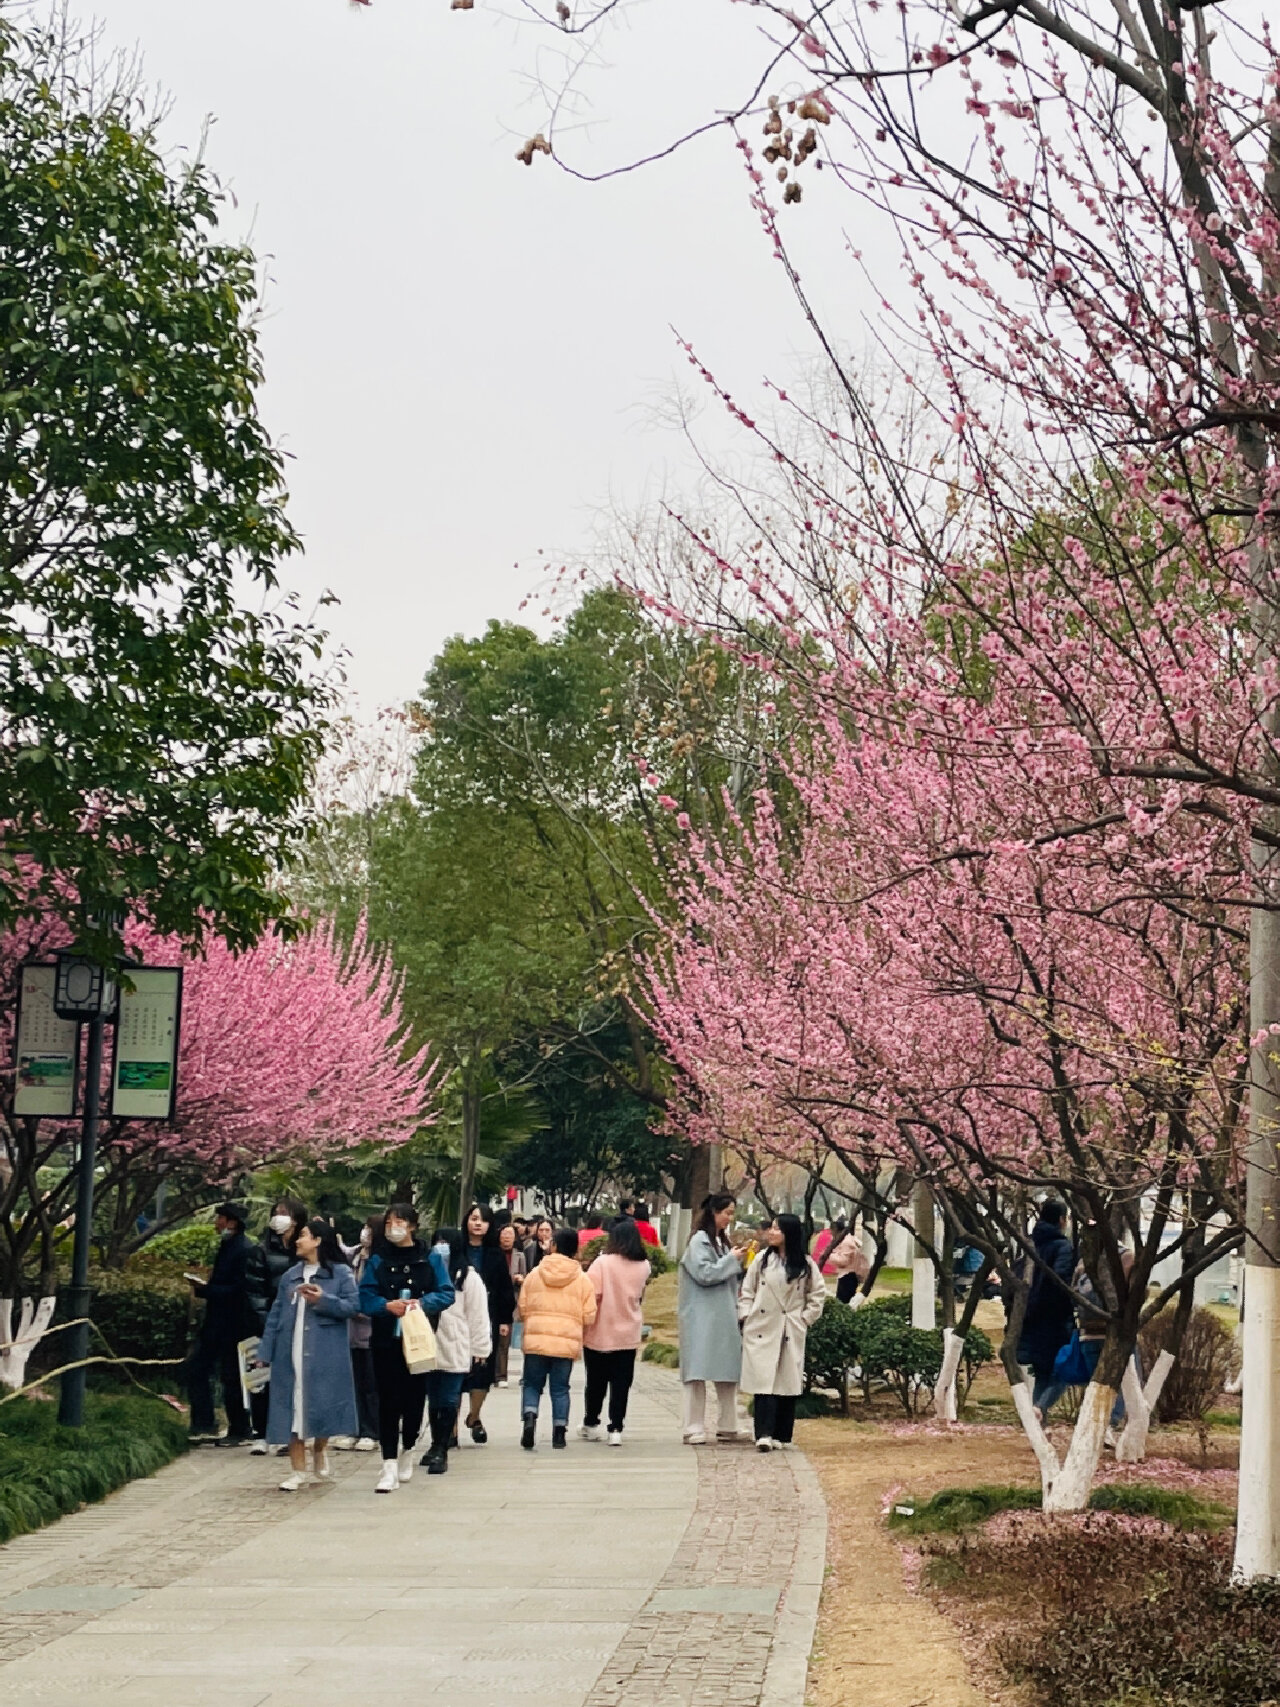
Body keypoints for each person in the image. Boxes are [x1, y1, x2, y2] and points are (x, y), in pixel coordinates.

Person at [255, 1218, 360, 1490]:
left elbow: (353, 1306)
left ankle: (320, 1448)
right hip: (289, 1352)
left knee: (321, 1405)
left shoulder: (340, 1274)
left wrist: (323, 1300)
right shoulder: (290, 1276)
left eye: (303, 1235)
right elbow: (276, 1315)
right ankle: (298, 1471)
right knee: (291, 1409)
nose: (298, 1240)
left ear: (318, 1240)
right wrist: (265, 1352)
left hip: (324, 1354)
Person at [358, 1201, 455, 1493]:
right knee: (387, 1400)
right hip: (385, 1339)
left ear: (412, 1226)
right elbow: (364, 1297)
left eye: (399, 1222)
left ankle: (408, 1448)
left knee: (414, 1399)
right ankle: (388, 1462)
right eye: (388, 1223)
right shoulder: (377, 1260)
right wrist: (386, 1305)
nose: (393, 1228)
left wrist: (422, 1304)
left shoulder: (430, 1257)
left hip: (418, 1340)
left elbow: (446, 1293)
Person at [739, 1214, 826, 1451]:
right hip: (762, 1325)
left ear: (789, 1233)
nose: (771, 1232)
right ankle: (763, 1433)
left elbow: (817, 1295)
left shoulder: (806, 1264)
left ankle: (782, 1434)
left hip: (790, 1325)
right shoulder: (761, 1261)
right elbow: (747, 1289)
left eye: (777, 1228)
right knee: (763, 1379)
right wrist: (746, 1315)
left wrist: (805, 1319)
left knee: (786, 1380)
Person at [517, 1226, 597, 1450]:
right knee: (560, 1388)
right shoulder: (582, 1279)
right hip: (565, 1342)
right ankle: (559, 1432)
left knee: (532, 1384)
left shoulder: (534, 1274)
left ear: (554, 1246)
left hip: (536, 1340)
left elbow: (523, 1307)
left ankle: (530, 1416)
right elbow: (589, 1315)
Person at [422, 1227, 492, 1474]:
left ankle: (443, 1446)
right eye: (437, 1241)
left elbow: (478, 1316)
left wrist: (481, 1348)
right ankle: (433, 1443)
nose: (440, 1247)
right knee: (433, 1398)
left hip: (456, 1344)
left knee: (449, 1398)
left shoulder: (468, 1277)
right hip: (429, 1345)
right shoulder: (427, 1273)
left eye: (445, 1242)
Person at [186, 1203, 256, 1445]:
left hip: (232, 1324)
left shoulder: (244, 1250)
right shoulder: (228, 1246)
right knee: (199, 1368)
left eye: (220, 1219)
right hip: (217, 1322)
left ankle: (240, 1428)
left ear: (232, 1222)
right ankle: (204, 1423)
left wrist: (208, 1290)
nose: (216, 1224)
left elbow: (241, 1289)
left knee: (231, 1375)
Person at [677, 1192, 744, 1445]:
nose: (730, 1218)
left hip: (723, 1313)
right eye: (727, 1212)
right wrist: (732, 1260)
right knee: (696, 1372)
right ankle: (693, 1426)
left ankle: (728, 1424)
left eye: (732, 1213)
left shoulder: (721, 1241)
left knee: (727, 1369)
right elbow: (705, 1273)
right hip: (700, 1317)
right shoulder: (700, 1241)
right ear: (713, 1212)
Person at [244, 1196, 307, 1454]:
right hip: (267, 1324)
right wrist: (266, 1324)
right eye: (276, 1212)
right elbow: (254, 1292)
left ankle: (290, 1434)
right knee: (260, 1379)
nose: (278, 1217)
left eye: (285, 1213)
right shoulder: (260, 1251)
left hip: (298, 1325)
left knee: (292, 1382)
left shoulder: (304, 1250)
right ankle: (261, 1432)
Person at [581, 1218, 650, 1444]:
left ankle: (591, 1422)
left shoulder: (602, 1263)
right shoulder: (644, 1265)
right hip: (628, 1331)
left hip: (600, 1331)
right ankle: (616, 1428)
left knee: (596, 1382)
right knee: (621, 1384)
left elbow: (593, 1294)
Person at [460, 1203, 516, 1444]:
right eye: (473, 1218)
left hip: (487, 1316)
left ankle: (474, 1415)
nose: (477, 1223)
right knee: (455, 1371)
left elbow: (505, 1288)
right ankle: (448, 1430)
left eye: (483, 1220)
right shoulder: (457, 1250)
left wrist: (505, 1319)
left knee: (483, 1370)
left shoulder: (494, 1254)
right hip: (457, 1316)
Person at [1015, 1200, 1076, 1416]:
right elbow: (1061, 1283)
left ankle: (1037, 1423)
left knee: (1042, 1373)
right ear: (1061, 1220)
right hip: (1054, 1321)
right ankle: (1039, 1409)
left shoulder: (1031, 1244)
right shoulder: (1063, 1247)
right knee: (1064, 1370)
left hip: (1030, 1318)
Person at [336, 1214, 382, 1452]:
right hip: (350, 1332)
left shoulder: (381, 1260)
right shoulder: (355, 1256)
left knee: (371, 1385)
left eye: (369, 1228)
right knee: (353, 1383)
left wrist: (362, 1309)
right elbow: (339, 1251)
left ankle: (371, 1430)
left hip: (372, 1332)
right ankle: (353, 1428)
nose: (364, 1232)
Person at [495, 1219, 526, 1386]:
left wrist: (520, 1279)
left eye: (510, 1234)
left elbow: (524, 1276)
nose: (507, 1237)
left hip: (511, 1300)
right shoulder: (493, 1253)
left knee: (504, 1341)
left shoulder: (519, 1256)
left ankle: (501, 1375)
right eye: (504, 1234)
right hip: (494, 1299)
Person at [827, 1223, 872, 1304]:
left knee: (843, 1301)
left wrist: (830, 1255)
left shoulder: (846, 1242)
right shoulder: (848, 1240)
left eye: (832, 1231)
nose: (831, 1233)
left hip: (848, 1275)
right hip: (849, 1274)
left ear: (835, 1230)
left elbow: (844, 1260)